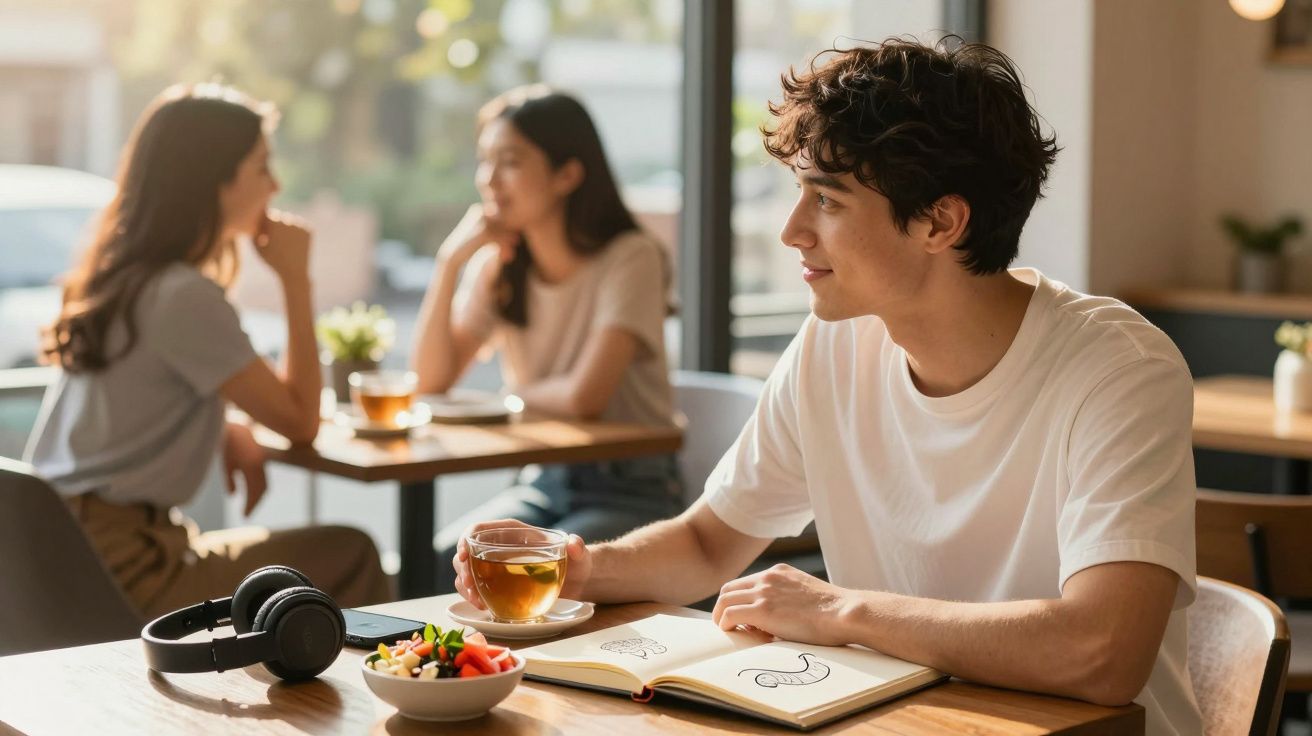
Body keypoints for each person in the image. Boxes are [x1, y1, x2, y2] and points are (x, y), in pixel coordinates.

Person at [452, 40, 1201, 735]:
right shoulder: (834, 343)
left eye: (828, 200)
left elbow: (1103, 651)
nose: (792, 230)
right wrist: (579, 567)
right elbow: (710, 541)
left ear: (940, 222)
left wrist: (841, 611)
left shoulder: (1118, 369)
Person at [25, 84, 390, 619]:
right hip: (131, 569)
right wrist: (295, 280)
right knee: (350, 553)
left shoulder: (122, 278)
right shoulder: (183, 295)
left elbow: (133, 401)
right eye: (261, 167)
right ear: (215, 182)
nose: (275, 185)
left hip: (62, 555)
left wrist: (223, 425)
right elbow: (300, 422)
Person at [411, 86, 682, 592]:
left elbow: (585, 397)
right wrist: (450, 262)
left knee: (530, 573)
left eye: (510, 162)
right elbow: (429, 381)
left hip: (630, 490)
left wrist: (507, 399)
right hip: (545, 482)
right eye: (485, 161)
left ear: (567, 175)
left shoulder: (631, 257)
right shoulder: (501, 266)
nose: (489, 179)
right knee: (440, 560)